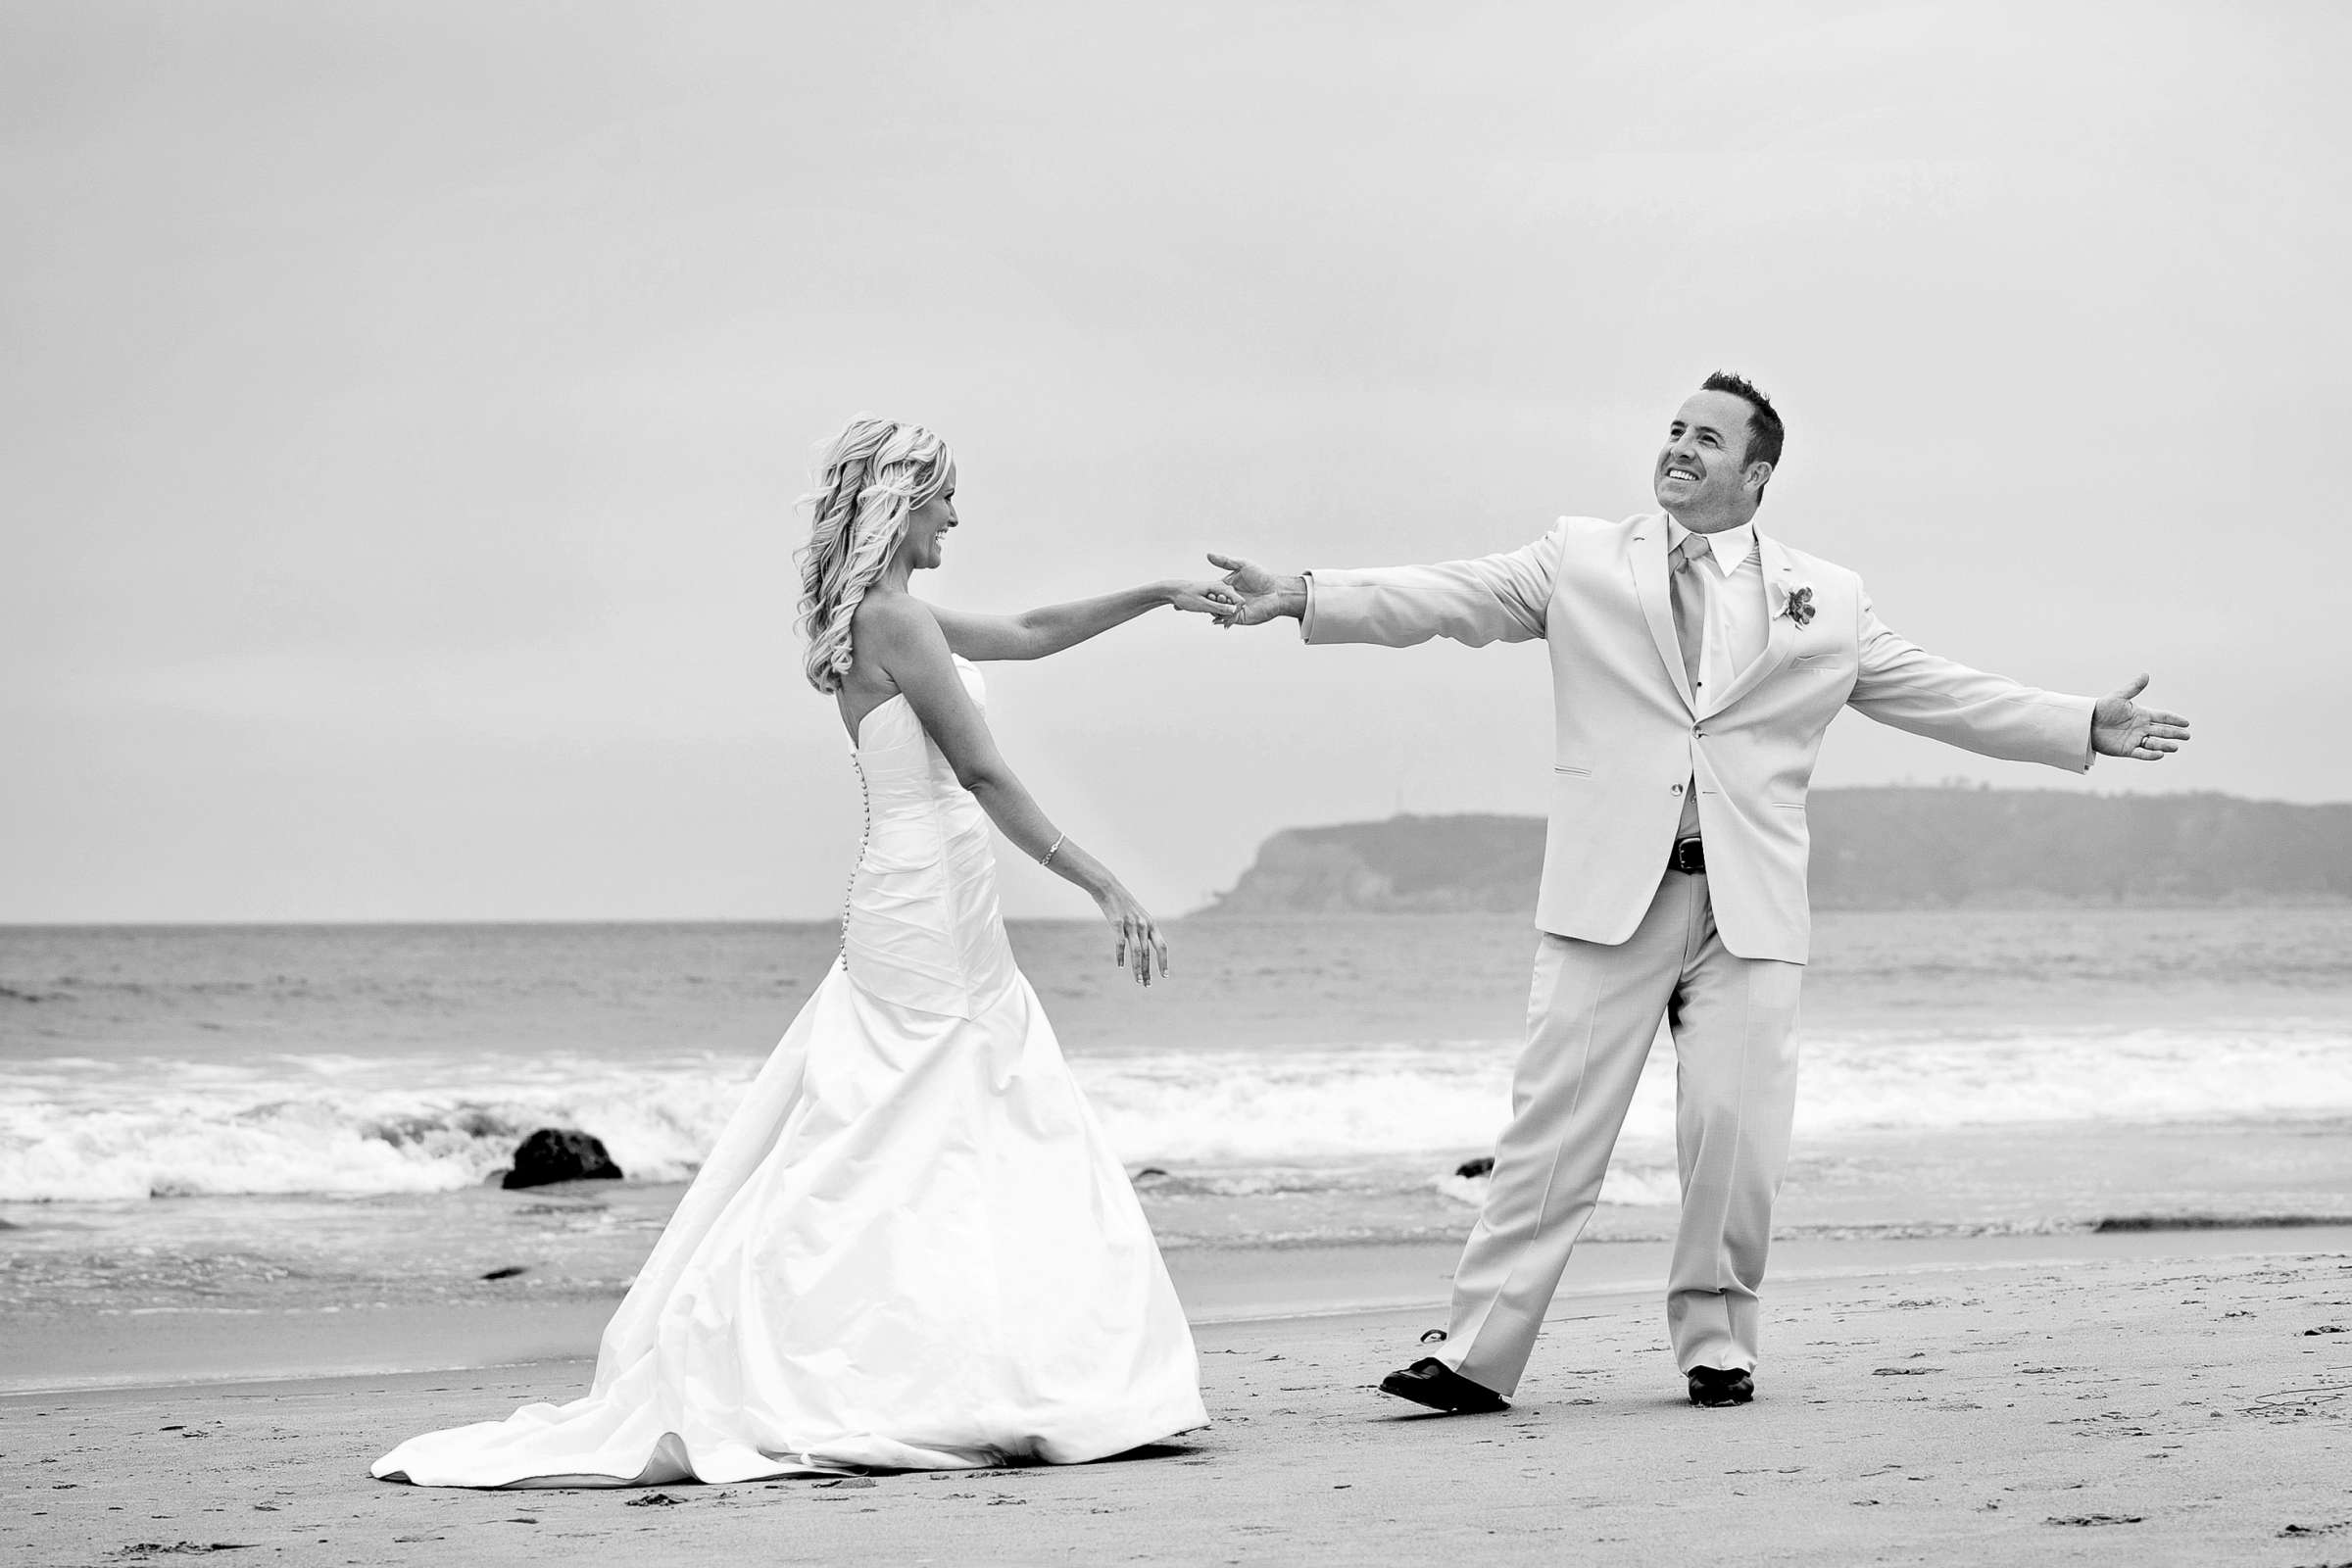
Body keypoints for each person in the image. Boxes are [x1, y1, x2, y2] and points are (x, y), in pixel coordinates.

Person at [1208, 371, 2191, 1412]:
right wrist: (1307, 594)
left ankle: (1718, 1344)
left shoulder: (1827, 597)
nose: (1679, 448)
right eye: (1674, 431)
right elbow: (1449, 595)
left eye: (1706, 439)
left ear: (1756, 472)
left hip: (1747, 904)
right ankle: (1473, 1354)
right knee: (1552, 1133)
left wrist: (2079, 722)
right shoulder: (1581, 558)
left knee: (1734, 1131)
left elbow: (1940, 690)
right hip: (1608, 902)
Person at [373, 416, 1225, 1485]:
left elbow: (1031, 627)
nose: (958, 514)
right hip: (921, 909)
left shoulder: (891, 615)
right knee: (893, 1130)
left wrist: (1155, 594)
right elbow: (984, 773)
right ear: (903, 502)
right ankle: (877, 1363)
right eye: (946, 495)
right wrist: (1104, 880)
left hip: (936, 904)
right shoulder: (893, 621)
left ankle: (1001, 1364)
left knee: (965, 1119)